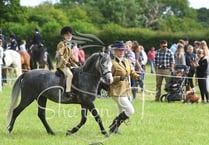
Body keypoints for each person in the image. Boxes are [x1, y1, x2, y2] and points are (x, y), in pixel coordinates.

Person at [108, 41, 140, 134]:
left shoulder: (127, 61)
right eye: (119, 50)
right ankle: (114, 124)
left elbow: (131, 72)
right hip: (116, 91)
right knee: (130, 110)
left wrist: (136, 76)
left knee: (121, 111)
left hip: (125, 90)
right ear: (114, 51)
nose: (121, 52)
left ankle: (114, 128)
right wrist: (119, 78)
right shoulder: (112, 63)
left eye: (123, 50)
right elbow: (108, 79)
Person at [56, 26, 78, 97]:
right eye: (67, 35)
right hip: (62, 65)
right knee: (70, 75)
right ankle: (67, 91)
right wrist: (66, 62)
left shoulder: (69, 44)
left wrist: (78, 62)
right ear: (64, 35)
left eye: (70, 35)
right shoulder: (61, 44)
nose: (69, 36)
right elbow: (60, 55)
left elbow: (71, 56)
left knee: (79, 71)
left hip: (69, 64)